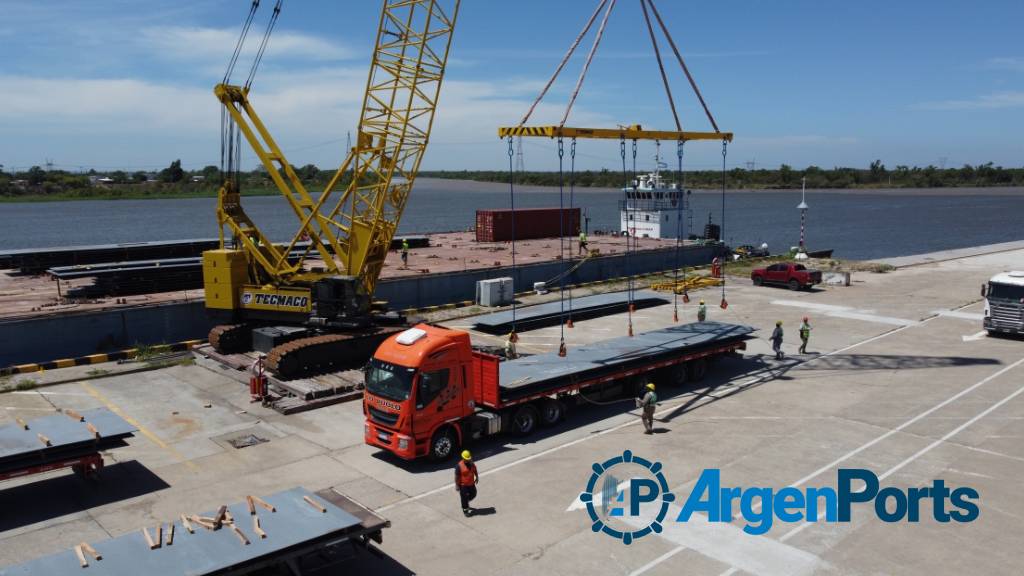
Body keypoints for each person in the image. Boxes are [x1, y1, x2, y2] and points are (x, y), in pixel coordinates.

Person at [455, 450, 479, 516]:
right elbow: (457, 476)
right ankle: (465, 510)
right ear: (463, 458)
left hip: (471, 483)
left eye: (468, 459)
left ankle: (466, 500)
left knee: (474, 494)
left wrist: (477, 477)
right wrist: (457, 485)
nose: (467, 460)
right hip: (463, 485)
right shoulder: (459, 466)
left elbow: (475, 469)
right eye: (466, 459)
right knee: (464, 497)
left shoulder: (471, 463)